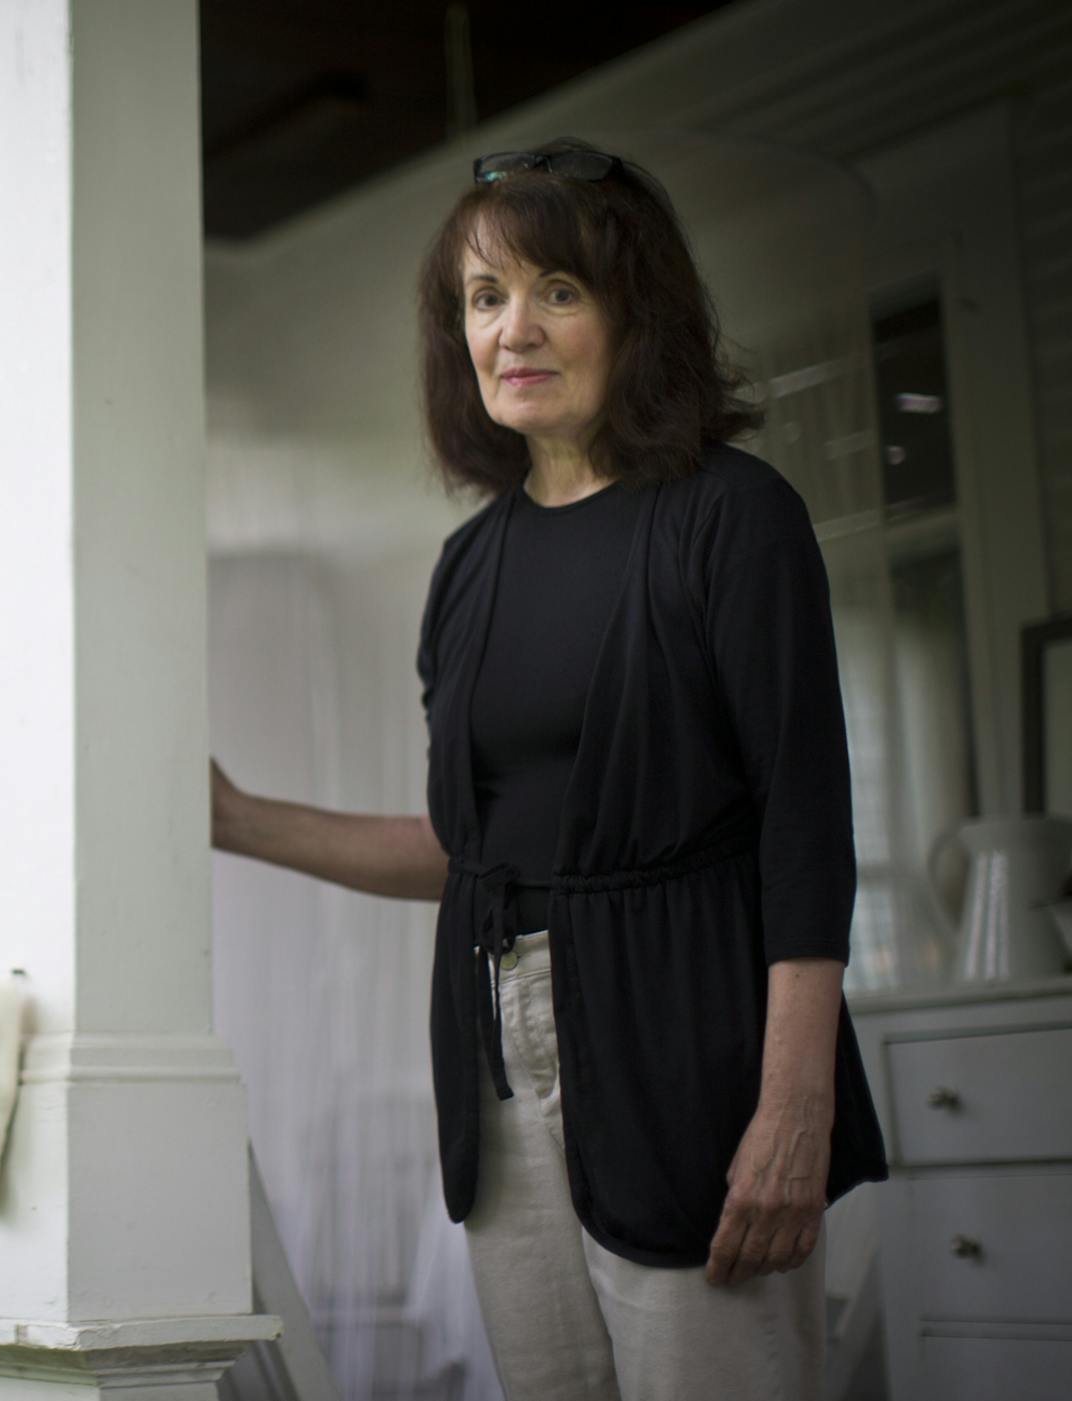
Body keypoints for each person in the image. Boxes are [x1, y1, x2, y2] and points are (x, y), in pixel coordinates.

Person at [208, 138, 888, 1401]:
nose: (513, 330)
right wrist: (239, 820)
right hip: (494, 1057)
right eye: (484, 297)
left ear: (638, 314)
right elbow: (478, 851)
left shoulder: (731, 518)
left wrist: (796, 1107)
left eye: (558, 290)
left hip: (690, 1040)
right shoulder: (470, 570)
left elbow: (806, 826)